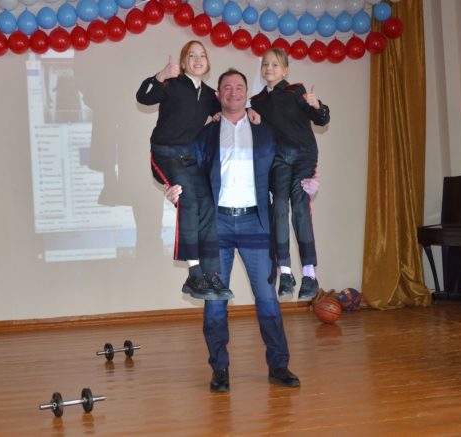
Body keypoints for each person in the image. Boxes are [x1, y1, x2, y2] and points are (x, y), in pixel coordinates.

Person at [166, 69, 318, 392]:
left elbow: (290, 159)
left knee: (266, 298)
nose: (233, 92)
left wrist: (308, 181)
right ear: (218, 94)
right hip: (216, 226)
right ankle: (219, 369)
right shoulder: (206, 134)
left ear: (247, 93)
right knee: (214, 302)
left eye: (239, 87)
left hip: (256, 224)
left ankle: (279, 365)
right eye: (227, 87)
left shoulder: (266, 131)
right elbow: (184, 167)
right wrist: (173, 187)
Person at [136, 40, 232, 301]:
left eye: (202, 55)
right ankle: (194, 273)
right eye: (192, 55)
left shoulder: (209, 94)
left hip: (190, 157)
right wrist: (161, 75)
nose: (198, 60)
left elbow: (229, 111)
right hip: (165, 152)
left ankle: (210, 274)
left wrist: (242, 113)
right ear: (183, 61)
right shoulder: (172, 84)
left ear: (208, 62)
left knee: (208, 204)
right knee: (188, 200)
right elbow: (143, 97)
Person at [250, 48, 330, 300]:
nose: (269, 68)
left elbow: (320, 119)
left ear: (285, 70)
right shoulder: (258, 101)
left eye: (275, 64)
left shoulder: (296, 91)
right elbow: (253, 129)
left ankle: (309, 273)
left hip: (304, 155)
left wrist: (317, 106)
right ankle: (285, 271)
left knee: (300, 206)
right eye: (265, 64)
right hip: (279, 159)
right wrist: (249, 115)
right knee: (279, 207)